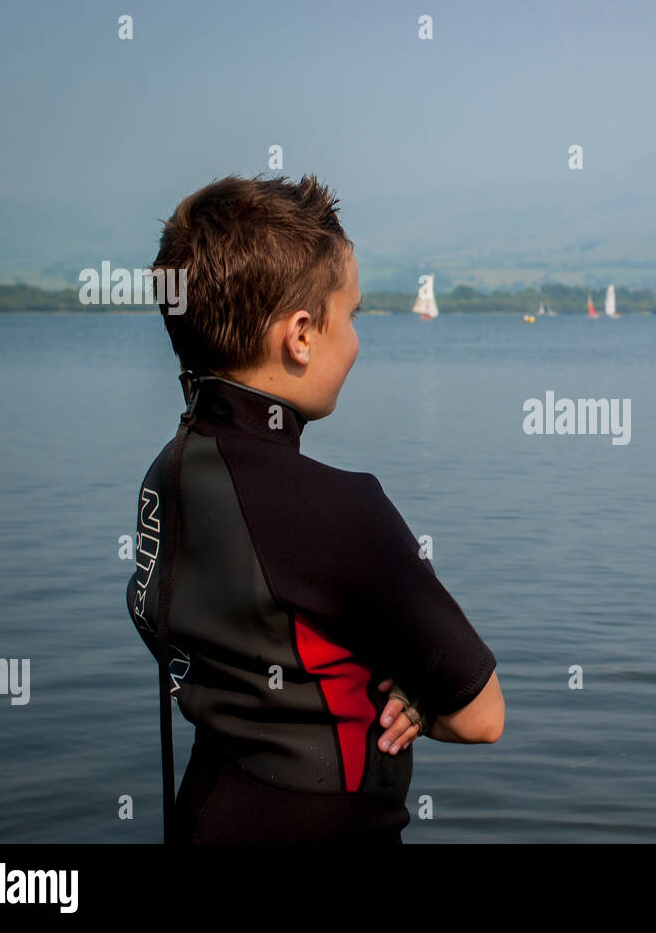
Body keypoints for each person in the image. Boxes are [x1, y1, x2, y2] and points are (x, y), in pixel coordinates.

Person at [127, 175, 504, 844]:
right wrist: (415, 701)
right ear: (301, 335)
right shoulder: (340, 509)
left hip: (205, 814)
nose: (356, 340)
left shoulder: (168, 475)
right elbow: (481, 717)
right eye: (351, 315)